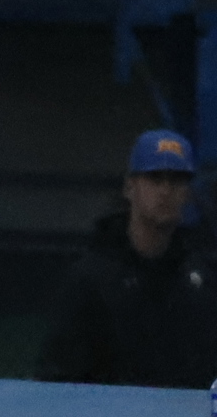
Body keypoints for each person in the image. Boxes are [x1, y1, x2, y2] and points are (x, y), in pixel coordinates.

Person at [37, 129, 217, 389]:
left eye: (177, 181)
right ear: (130, 187)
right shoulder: (91, 278)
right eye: (155, 178)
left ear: (188, 193)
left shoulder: (203, 281)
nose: (166, 190)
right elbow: (55, 379)